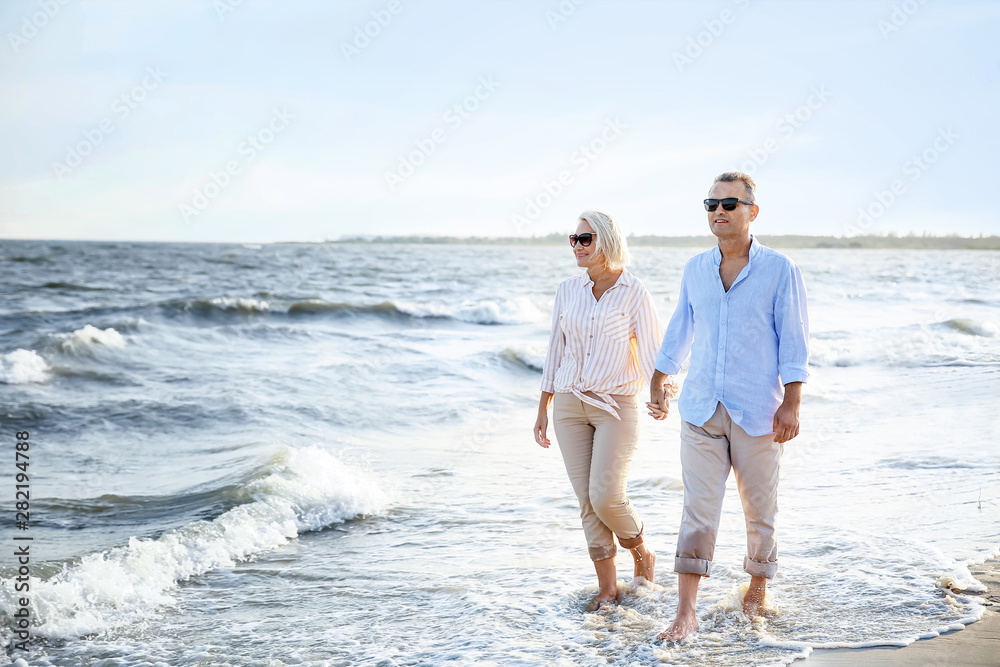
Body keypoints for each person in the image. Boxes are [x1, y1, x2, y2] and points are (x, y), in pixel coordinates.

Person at [647, 172, 810, 641]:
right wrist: (659, 378)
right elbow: (680, 329)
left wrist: (792, 404)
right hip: (701, 408)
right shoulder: (695, 268)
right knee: (698, 509)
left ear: (752, 212)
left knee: (760, 509)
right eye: (711, 204)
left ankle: (757, 587)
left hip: (759, 409)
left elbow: (794, 341)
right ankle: (685, 611)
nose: (719, 211)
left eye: (730, 204)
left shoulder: (780, 270)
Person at [534, 210, 676, 611]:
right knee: (586, 501)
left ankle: (642, 553)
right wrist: (543, 407)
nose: (577, 246)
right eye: (573, 239)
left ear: (608, 241)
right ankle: (608, 589)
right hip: (567, 403)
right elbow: (554, 350)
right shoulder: (567, 290)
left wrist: (662, 391)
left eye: (585, 239)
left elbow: (653, 350)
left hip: (616, 405)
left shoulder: (634, 292)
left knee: (606, 495)